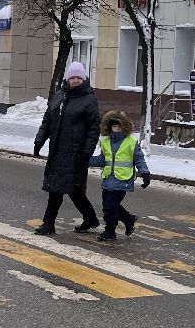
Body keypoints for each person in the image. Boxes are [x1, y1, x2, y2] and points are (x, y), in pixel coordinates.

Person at [32, 62, 101, 235]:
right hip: (57, 151)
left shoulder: (88, 99)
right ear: (67, 79)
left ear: (83, 79)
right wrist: (39, 140)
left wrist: (86, 152)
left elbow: (94, 129)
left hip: (75, 153)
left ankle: (49, 223)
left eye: (79, 77)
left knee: (60, 189)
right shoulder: (59, 96)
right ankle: (90, 218)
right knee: (71, 189)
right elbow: (47, 120)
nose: (75, 80)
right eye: (72, 77)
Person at [87, 110, 151, 242]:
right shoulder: (105, 142)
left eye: (119, 126)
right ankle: (128, 219)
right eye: (114, 126)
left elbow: (139, 159)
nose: (116, 129)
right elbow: (102, 160)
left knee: (110, 207)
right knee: (109, 205)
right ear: (109, 126)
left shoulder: (131, 142)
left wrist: (145, 173)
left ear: (124, 127)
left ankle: (110, 231)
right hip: (108, 179)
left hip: (123, 179)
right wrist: (85, 160)